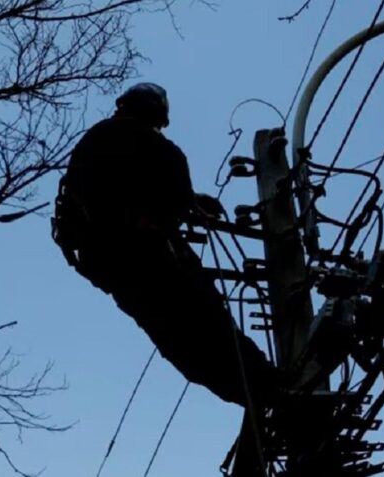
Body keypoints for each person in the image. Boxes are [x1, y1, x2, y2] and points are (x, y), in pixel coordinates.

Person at [52, 83, 282, 408]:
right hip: (148, 256)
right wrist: (183, 207)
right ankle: (270, 390)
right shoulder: (155, 147)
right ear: (157, 116)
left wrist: (187, 204)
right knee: (209, 327)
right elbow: (169, 193)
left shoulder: (95, 140)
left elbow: (102, 193)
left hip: (111, 265)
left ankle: (259, 395)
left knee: (182, 344)